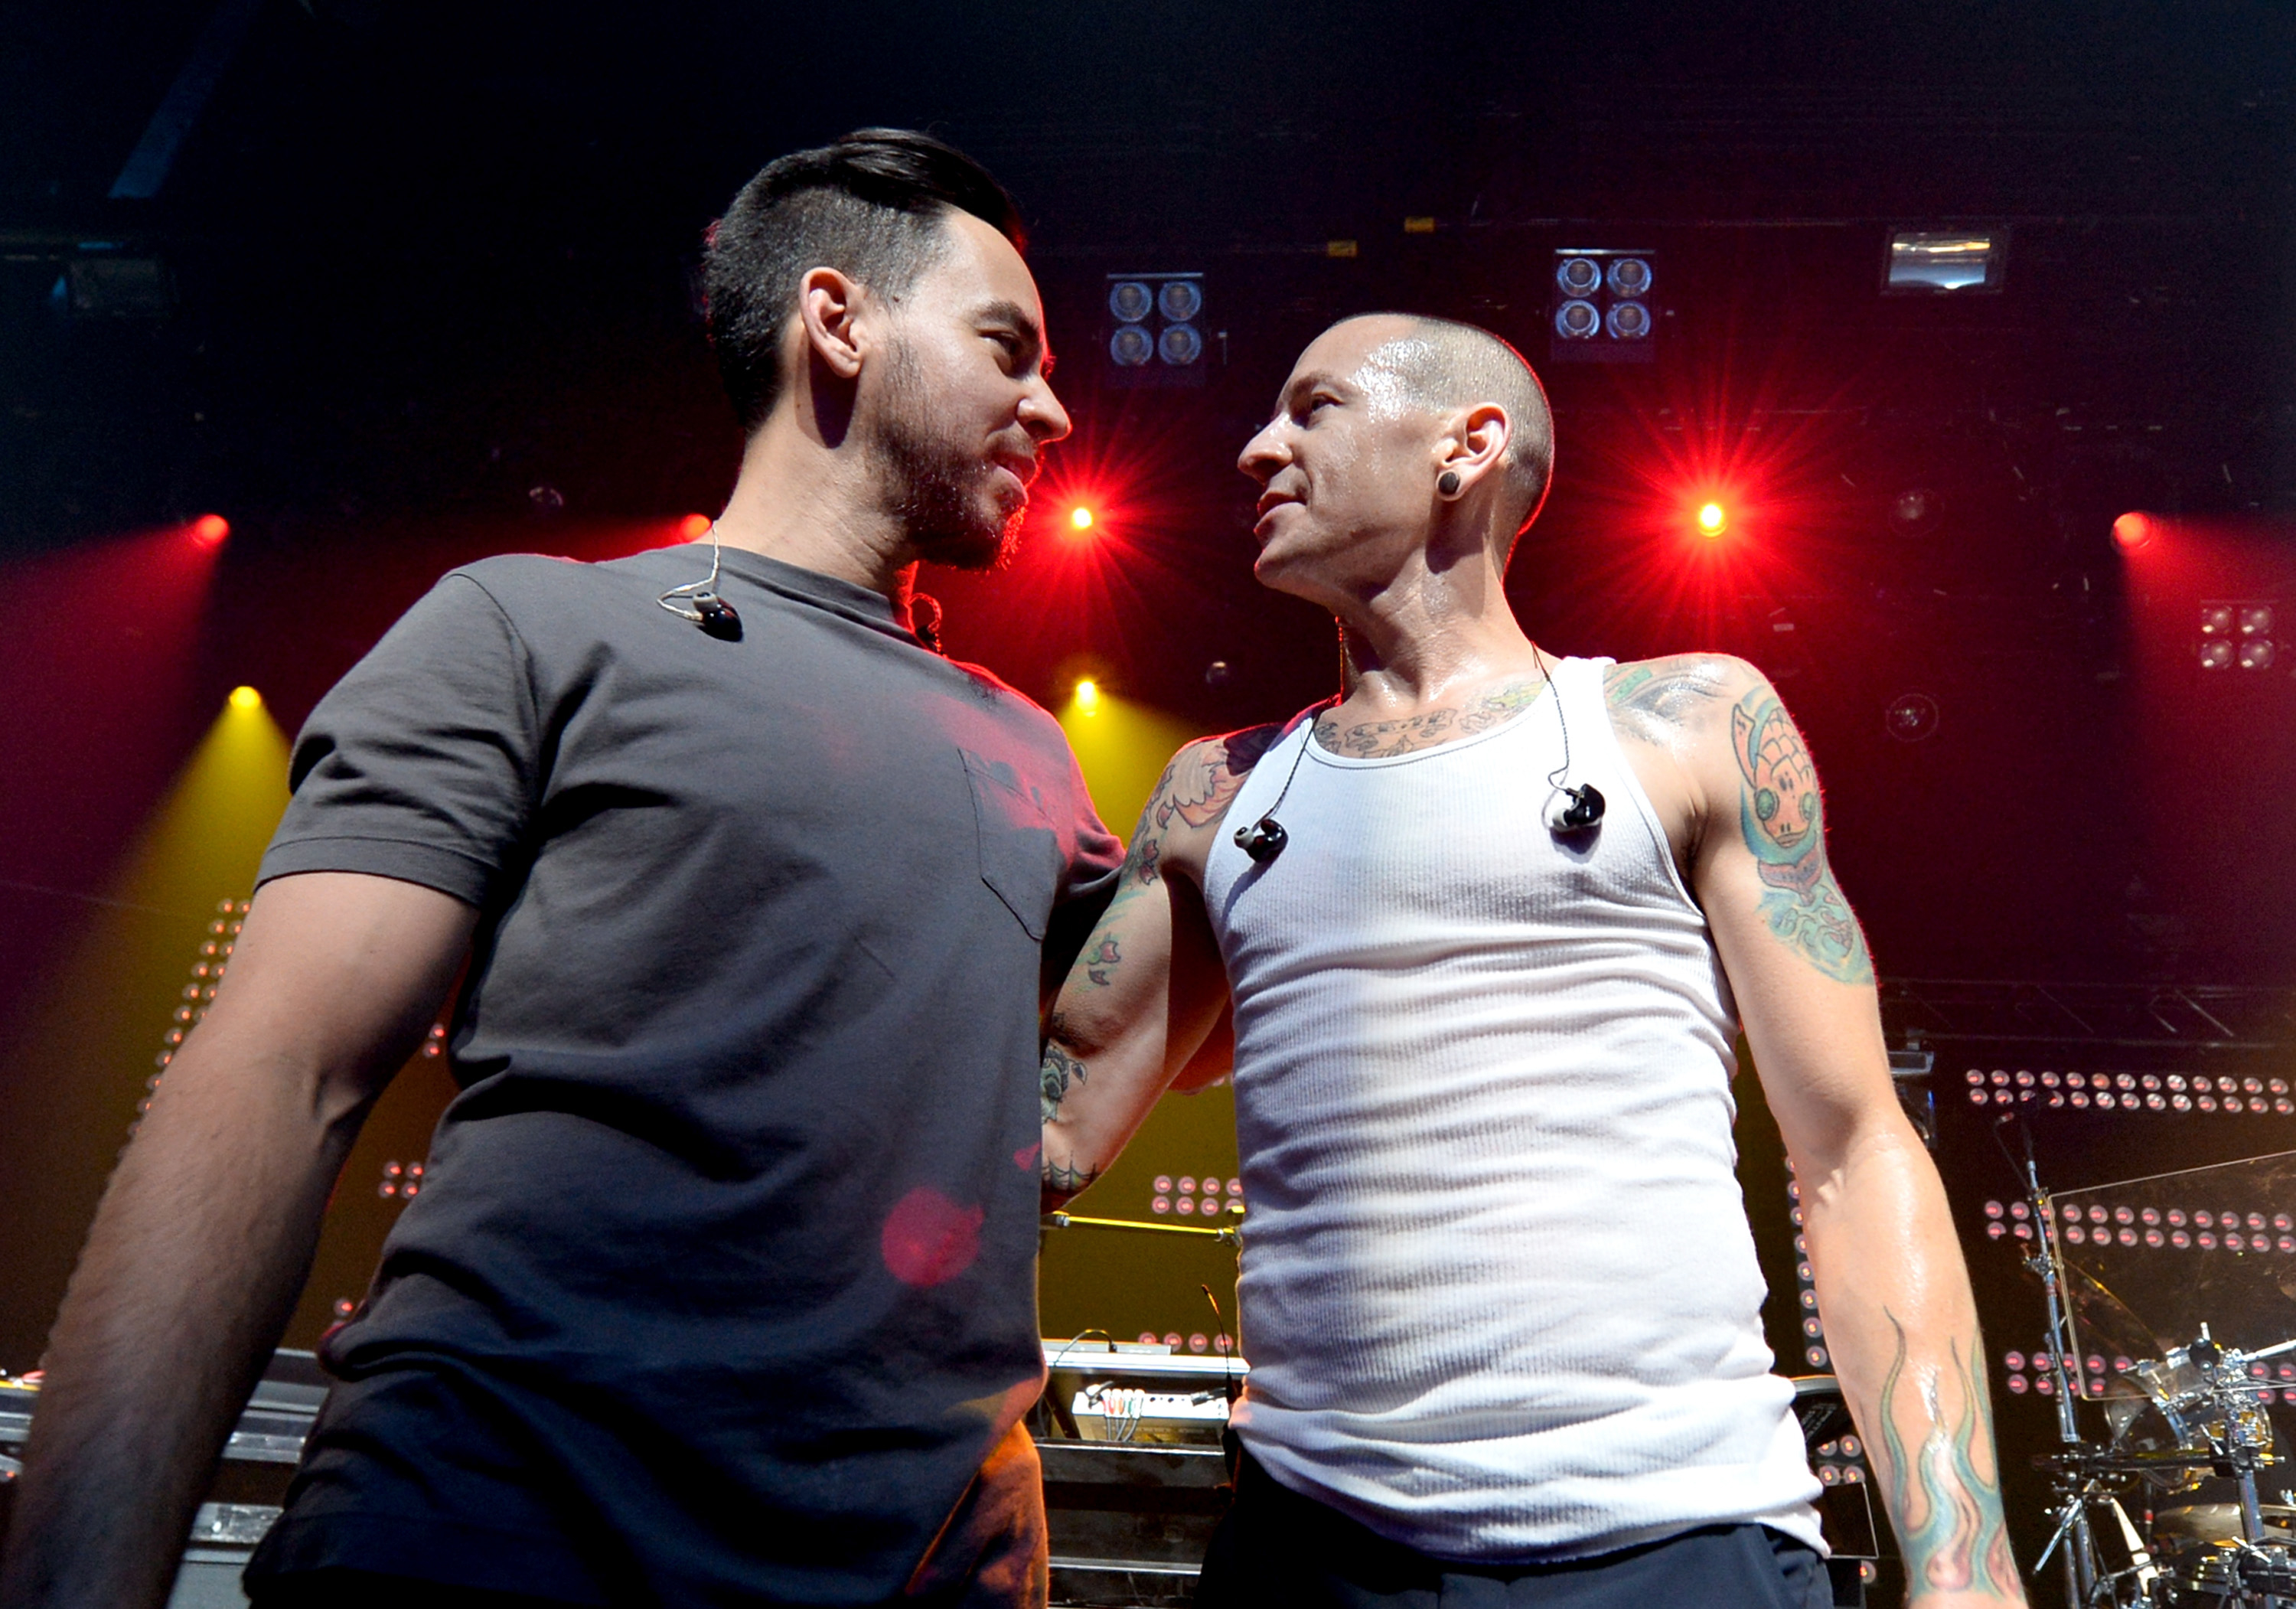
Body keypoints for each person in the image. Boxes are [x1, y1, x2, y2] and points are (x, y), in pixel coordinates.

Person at [1, 129, 1120, 1609]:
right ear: (839, 322)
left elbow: (1194, 983)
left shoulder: (1034, 749)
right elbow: (278, 1077)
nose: (1050, 406)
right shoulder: (533, 628)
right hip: (500, 1541)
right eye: (1007, 347)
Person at [1038, 313, 2026, 1607]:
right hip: (1316, 1549)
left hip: (1675, 1534)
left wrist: (1963, 1561)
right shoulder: (1215, 794)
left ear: (1468, 445)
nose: (1254, 446)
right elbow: (1046, 1137)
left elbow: (1853, 1150)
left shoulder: (1685, 724)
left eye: (1312, 406)